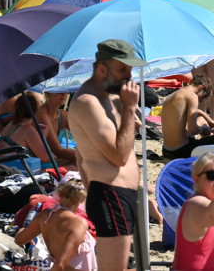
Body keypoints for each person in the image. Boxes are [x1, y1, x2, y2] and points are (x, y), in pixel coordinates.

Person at [69, 39, 146, 271]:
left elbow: (80, 157)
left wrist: (127, 111)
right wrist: (130, 108)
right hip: (111, 194)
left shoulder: (110, 100)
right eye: (122, 69)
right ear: (102, 69)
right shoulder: (87, 102)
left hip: (115, 194)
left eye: (130, 70)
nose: (128, 76)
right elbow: (118, 157)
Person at [14, 178, 97, 271]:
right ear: (82, 199)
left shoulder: (44, 215)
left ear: (59, 194)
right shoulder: (79, 223)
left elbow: (19, 240)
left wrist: (24, 230)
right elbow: (60, 264)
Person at [160, 75, 214, 160]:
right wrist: (203, 129)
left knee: (201, 120)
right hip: (183, 151)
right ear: (202, 87)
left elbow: (197, 112)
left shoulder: (175, 94)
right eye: (204, 97)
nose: (200, 100)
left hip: (167, 149)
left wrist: (212, 123)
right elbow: (192, 130)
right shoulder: (192, 96)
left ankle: (212, 138)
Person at [0, 92, 63, 170]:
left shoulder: (10, 125)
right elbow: (46, 158)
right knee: (66, 165)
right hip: (21, 170)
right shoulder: (27, 129)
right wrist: (43, 137)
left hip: (5, 166)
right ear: (35, 112)